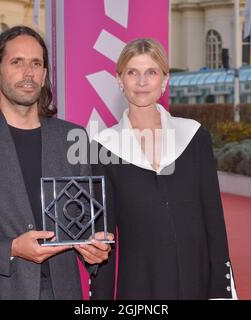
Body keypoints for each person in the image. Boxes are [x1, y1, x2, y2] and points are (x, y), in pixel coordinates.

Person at [0, 26, 113, 300]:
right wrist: (10, 248)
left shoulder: (71, 138)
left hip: (63, 291)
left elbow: (81, 220)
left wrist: (93, 250)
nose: (29, 73)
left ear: (45, 74)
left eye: (36, 63)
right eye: (17, 62)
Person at [90, 38, 238, 300]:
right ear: (119, 81)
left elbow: (214, 221)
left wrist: (221, 292)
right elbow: (105, 238)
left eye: (151, 72)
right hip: (139, 284)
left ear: (165, 80)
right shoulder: (103, 147)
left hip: (197, 281)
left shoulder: (194, 136)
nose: (142, 81)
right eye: (132, 72)